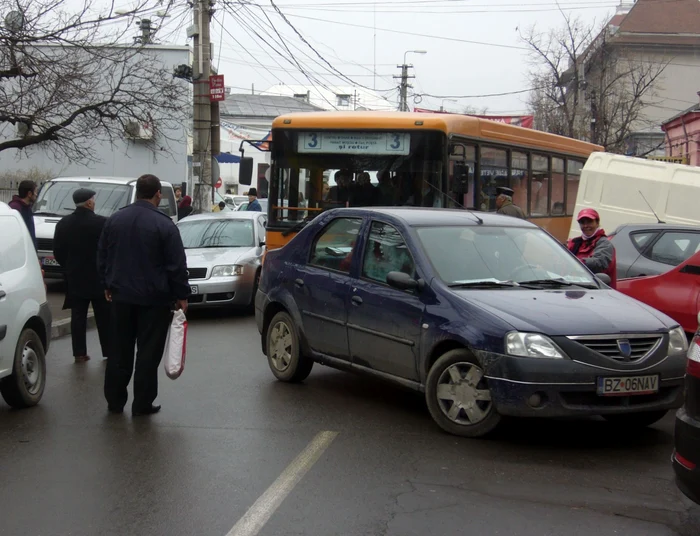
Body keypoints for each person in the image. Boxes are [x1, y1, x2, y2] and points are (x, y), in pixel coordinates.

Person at [98, 174, 190, 416]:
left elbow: (103, 256)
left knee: (119, 350)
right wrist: (182, 295)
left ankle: (115, 401)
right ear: (158, 193)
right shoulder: (165, 225)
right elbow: (176, 265)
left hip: (121, 298)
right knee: (148, 353)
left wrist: (107, 284)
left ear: (138, 191)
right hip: (154, 300)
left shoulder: (115, 220)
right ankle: (142, 403)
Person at [53, 188, 112, 364]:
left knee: (78, 316)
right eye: (93, 199)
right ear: (88, 202)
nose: (94, 202)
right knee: (104, 316)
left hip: (75, 276)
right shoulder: (102, 223)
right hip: (98, 277)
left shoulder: (63, 223)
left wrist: (68, 267)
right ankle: (109, 350)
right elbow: (109, 249)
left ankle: (79, 353)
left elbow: (58, 251)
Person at [567, 208, 617, 288]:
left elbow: (600, 263)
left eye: (589, 222)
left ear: (597, 223)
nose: (586, 226)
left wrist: (576, 262)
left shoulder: (605, 244)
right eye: (582, 223)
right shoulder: (575, 243)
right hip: (574, 289)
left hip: (598, 292)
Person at [9, 180, 38, 247]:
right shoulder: (15, 208)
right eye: (36, 192)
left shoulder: (28, 207)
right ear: (29, 194)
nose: (36, 195)